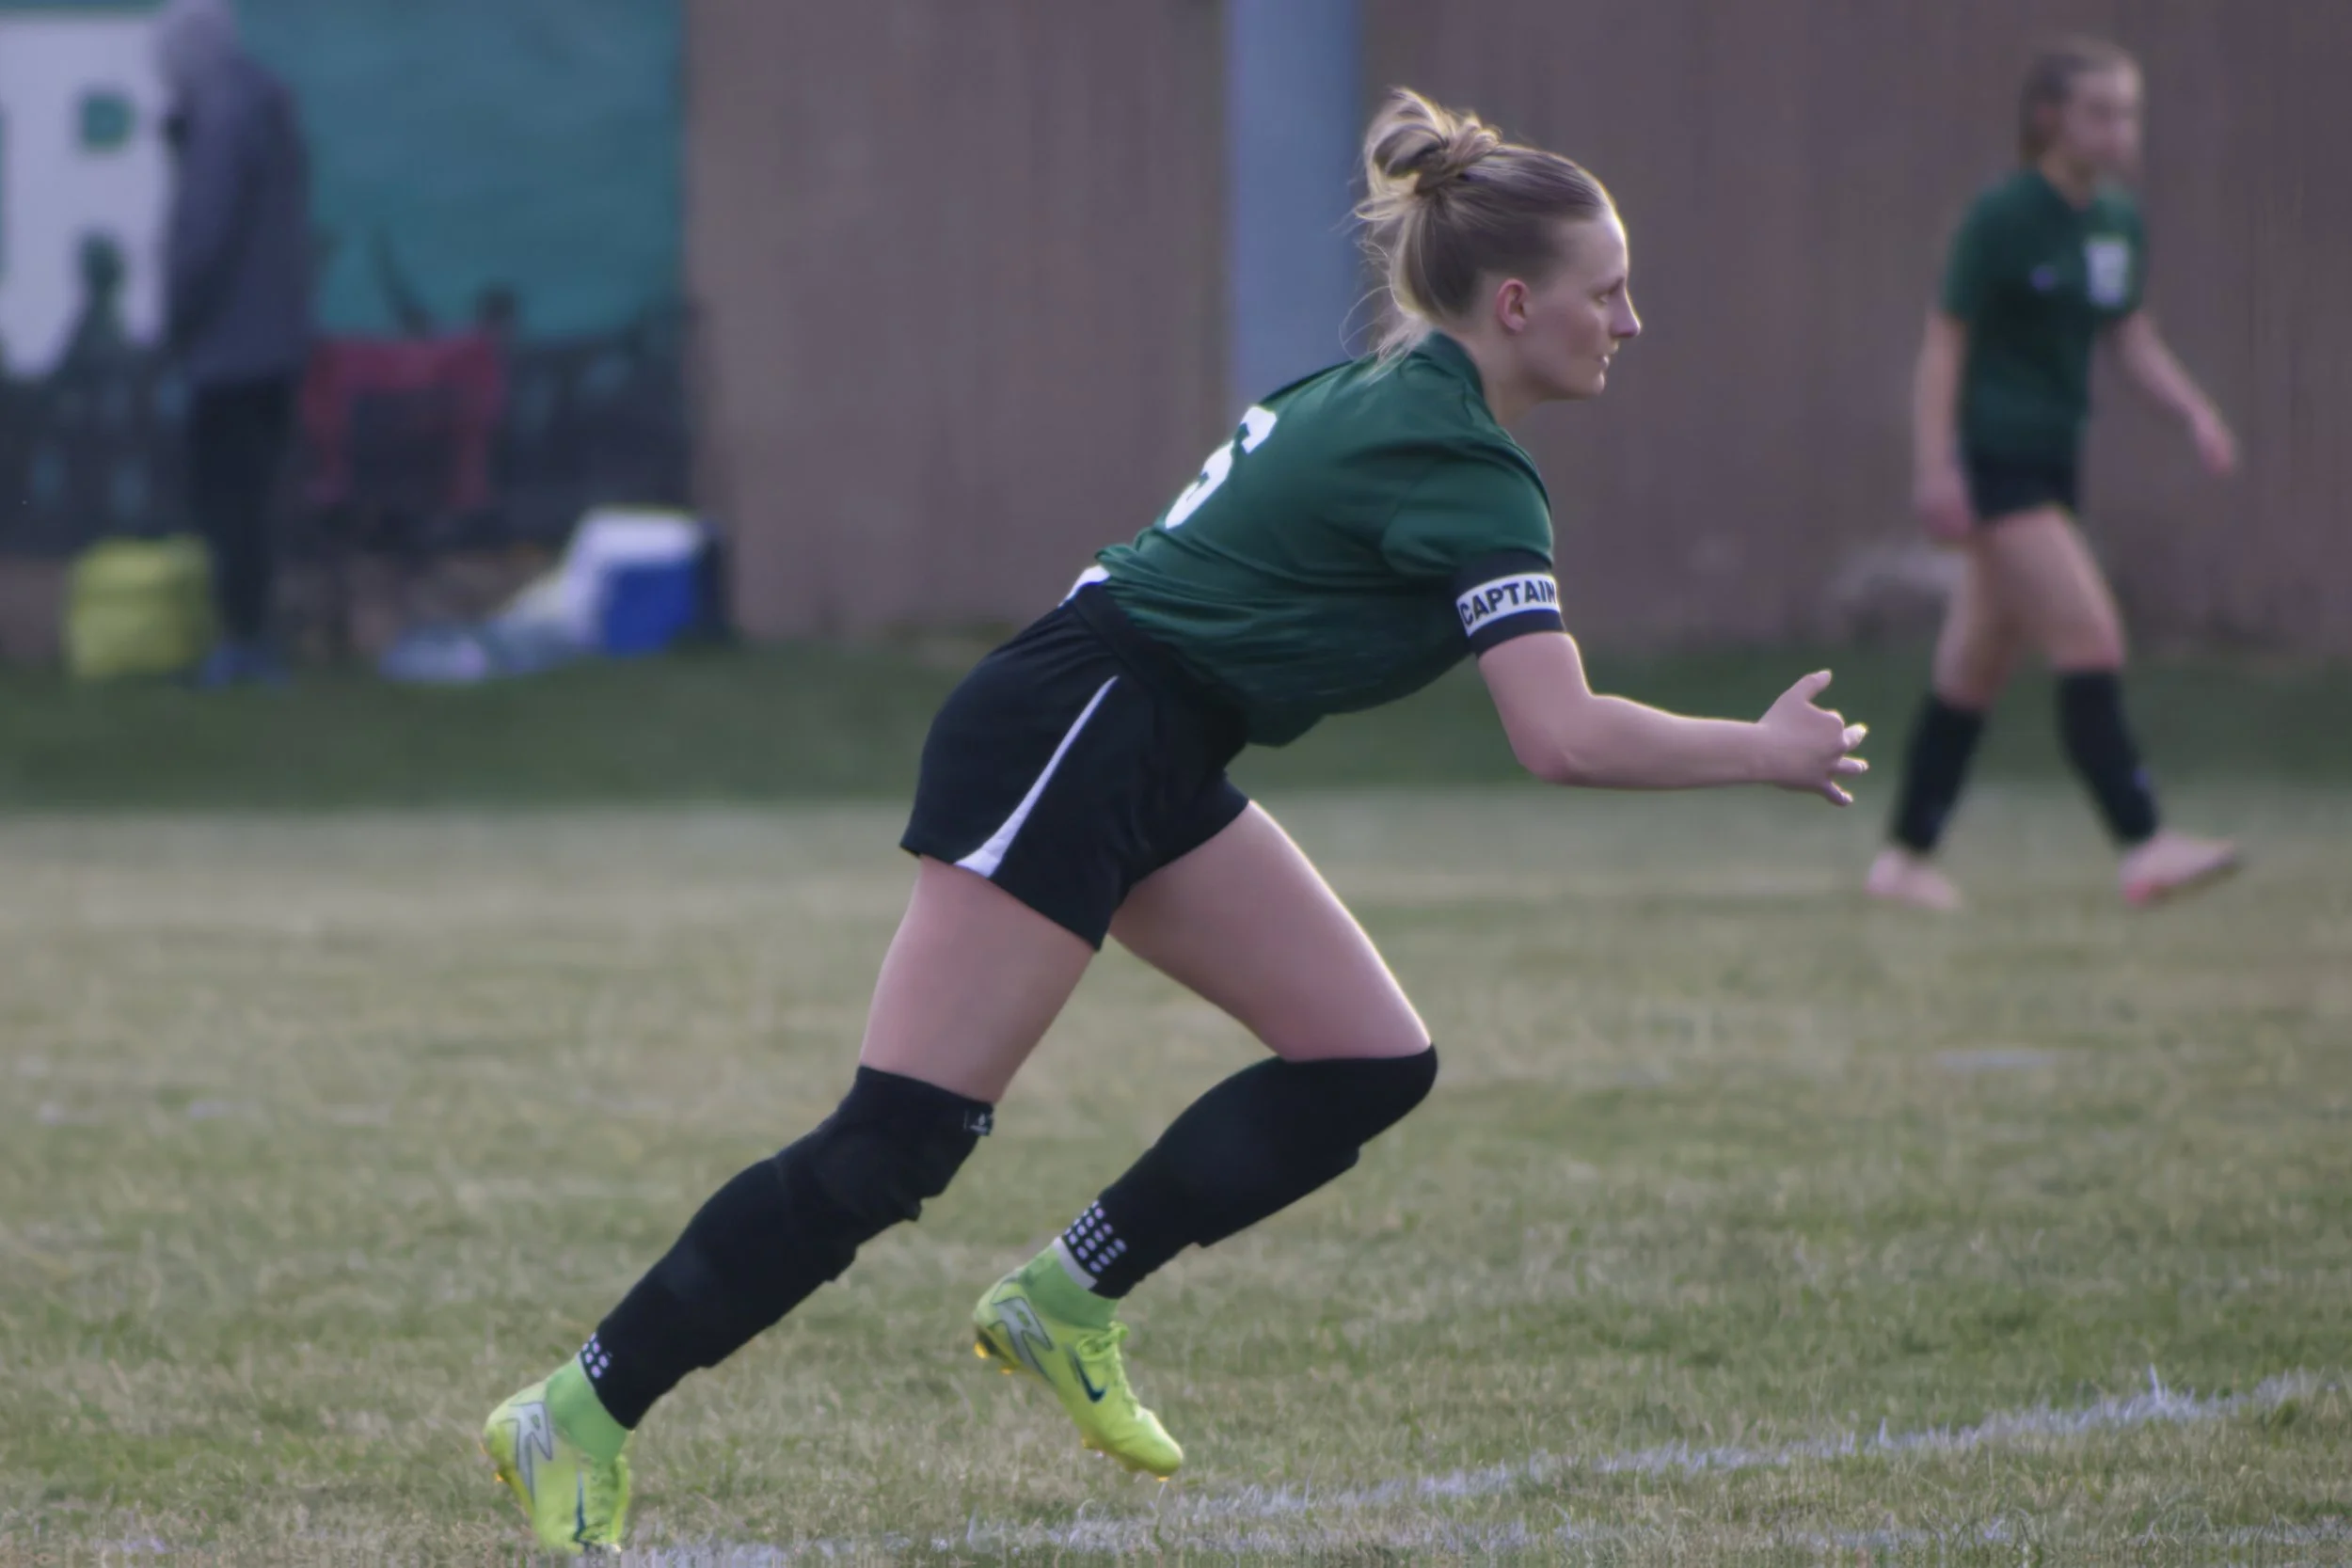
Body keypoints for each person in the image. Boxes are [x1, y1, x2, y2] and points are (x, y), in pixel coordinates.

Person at [480, 87, 1868, 1554]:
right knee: (894, 1143)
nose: (1632, 322)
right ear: (1517, 303)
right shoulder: (1455, 458)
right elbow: (1562, 735)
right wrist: (1763, 751)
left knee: (1366, 1056)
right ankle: (571, 1412)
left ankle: (1067, 1293)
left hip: (1146, 731)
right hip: (1082, 726)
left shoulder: (1395, 403)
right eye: (1611, 293)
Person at [1868, 39, 2239, 911]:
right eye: (2100, 112)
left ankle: (1903, 861)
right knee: (2092, 638)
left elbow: (2131, 335)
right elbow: (1944, 345)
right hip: (1997, 463)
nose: (2120, 130)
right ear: (2050, 119)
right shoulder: (2001, 217)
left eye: (2129, 112)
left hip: (2055, 460)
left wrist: (2191, 410)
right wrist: (1936, 467)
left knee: (1974, 666)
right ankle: (2143, 844)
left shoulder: (2117, 222)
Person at [155, 0, 312, 687]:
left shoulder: (220, 116)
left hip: (229, 346)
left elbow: (204, 234)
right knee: (254, 498)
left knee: (225, 500)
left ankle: (241, 641)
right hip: (276, 340)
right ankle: (253, 636)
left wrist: (176, 313)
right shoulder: (268, 106)